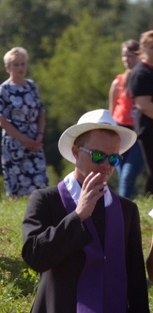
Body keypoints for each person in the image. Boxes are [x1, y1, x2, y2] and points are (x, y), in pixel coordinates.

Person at [22, 109, 149, 312]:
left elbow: (135, 278)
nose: (107, 165)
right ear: (75, 152)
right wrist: (78, 216)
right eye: (98, 156)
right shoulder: (46, 200)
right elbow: (35, 257)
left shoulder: (127, 210)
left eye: (114, 159)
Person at [0, 47, 48, 197]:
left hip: (35, 138)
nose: (20, 68)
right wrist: (25, 140)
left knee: (40, 182)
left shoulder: (32, 86)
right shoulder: (4, 89)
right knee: (16, 183)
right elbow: (1, 120)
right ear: (8, 68)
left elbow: (41, 113)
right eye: (16, 64)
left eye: (23, 64)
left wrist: (39, 136)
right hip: (14, 142)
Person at [109, 40, 144, 199]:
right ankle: (127, 209)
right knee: (122, 172)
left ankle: (123, 209)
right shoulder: (118, 82)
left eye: (130, 56)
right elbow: (112, 109)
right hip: (120, 132)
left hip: (139, 133)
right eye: (124, 56)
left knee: (128, 175)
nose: (126, 60)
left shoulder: (144, 79)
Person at [129, 30, 153, 195]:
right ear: (143, 49)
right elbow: (144, 105)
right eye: (151, 47)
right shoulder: (141, 73)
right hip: (149, 129)